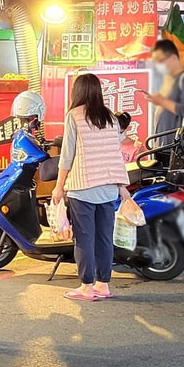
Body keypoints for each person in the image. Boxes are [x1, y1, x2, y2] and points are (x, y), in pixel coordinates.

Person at [52, 73, 131, 301]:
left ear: (78, 92)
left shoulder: (74, 116)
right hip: (107, 188)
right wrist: (120, 185)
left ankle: (87, 286)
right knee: (105, 238)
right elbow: (113, 154)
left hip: (83, 187)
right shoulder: (110, 118)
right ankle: (103, 284)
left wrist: (59, 187)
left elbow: (67, 156)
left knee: (84, 239)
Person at [143, 39, 184, 264]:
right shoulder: (169, 80)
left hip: (183, 150)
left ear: (172, 58)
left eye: (160, 61)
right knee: (171, 198)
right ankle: (179, 244)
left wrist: (162, 101)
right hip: (166, 148)